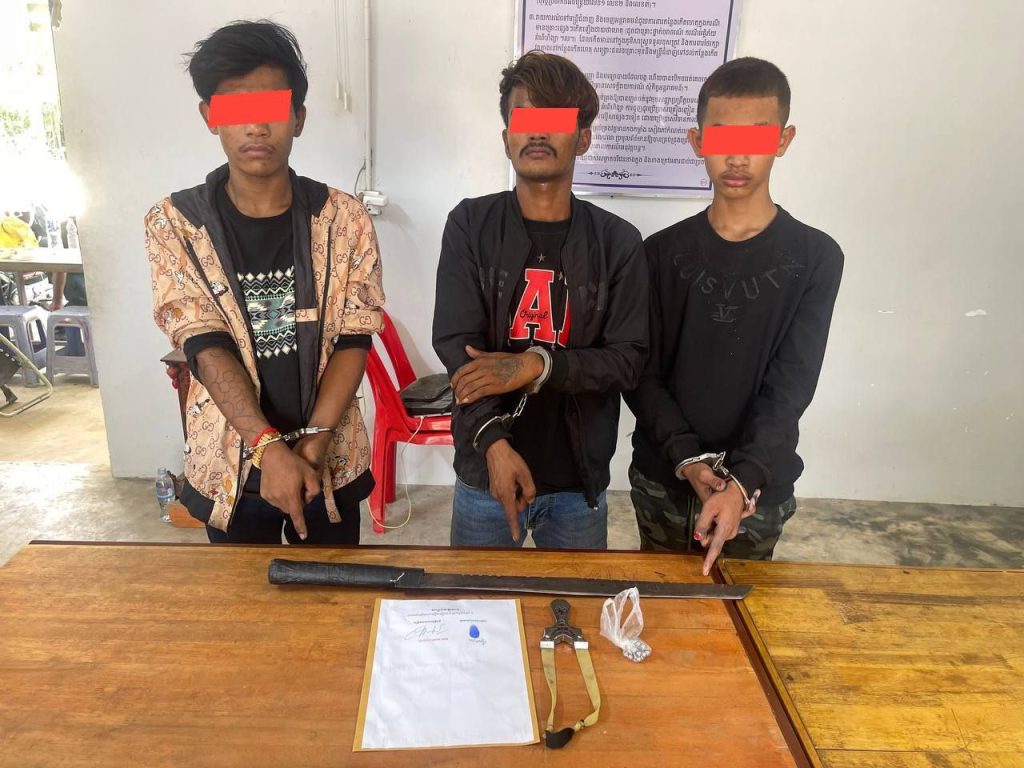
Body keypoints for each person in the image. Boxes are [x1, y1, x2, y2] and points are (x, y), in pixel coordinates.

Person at [146, 20, 385, 544]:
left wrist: (312, 445)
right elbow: (203, 344)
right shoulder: (176, 224)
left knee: (332, 592)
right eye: (236, 109)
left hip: (328, 460)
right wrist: (269, 450)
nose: (256, 127)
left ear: (298, 117)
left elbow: (354, 339)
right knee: (241, 597)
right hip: (230, 469)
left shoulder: (344, 219)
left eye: (272, 108)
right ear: (210, 117)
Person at [625, 57, 844, 575]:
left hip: (758, 489)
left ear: (784, 139)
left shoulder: (816, 257)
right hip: (665, 477)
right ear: (697, 140)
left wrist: (742, 480)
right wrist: (687, 459)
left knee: (739, 609)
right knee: (662, 601)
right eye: (722, 136)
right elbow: (641, 370)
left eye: (758, 136)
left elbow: (792, 383)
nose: (738, 156)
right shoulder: (658, 253)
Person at [432, 51, 648, 549]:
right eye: (524, 119)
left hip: (577, 483)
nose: (537, 133)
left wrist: (537, 364)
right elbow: (457, 345)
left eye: (554, 119)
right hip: (484, 471)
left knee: (572, 599)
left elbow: (628, 359)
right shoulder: (470, 225)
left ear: (583, 138)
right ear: (506, 135)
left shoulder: (618, 242)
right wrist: (493, 443)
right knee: (475, 598)